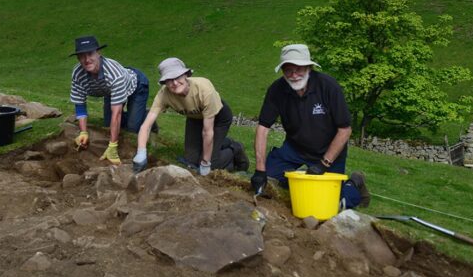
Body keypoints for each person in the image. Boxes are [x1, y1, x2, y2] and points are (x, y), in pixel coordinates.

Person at [251, 44, 369, 209]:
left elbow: (345, 129)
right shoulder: (276, 90)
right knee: (268, 182)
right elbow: (263, 128)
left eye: (299, 69)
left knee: (331, 205)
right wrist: (260, 170)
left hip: (329, 152)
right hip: (294, 148)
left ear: (309, 67)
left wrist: (323, 164)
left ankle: (355, 185)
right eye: (288, 70)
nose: (293, 75)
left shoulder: (328, 86)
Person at [134, 57, 247, 175]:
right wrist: (141, 153)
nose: (175, 83)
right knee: (191, 161)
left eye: (177, 77)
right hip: (194, 117)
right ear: (164, 82)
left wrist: (205, 163)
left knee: (210, 164)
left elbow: (207, 131)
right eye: (169, 80)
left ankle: (235, 148)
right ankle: (219, 144)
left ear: (186, 75)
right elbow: (146, 126)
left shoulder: (204, 89)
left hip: (218, 118)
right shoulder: (164, 95)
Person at [69, 35, 151, 165]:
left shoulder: (114, 75)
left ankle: (145, 116)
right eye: (81, 56)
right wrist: (83, 132)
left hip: (136, 84)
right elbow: (79, 104)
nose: (87, 59)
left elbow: (117, 113)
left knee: (132, 127)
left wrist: (112, 146)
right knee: (108, 124)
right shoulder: (77, 74)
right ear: (78, 58)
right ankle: (136, 115)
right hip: (110, 90)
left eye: (90, 54)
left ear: (98, 53)